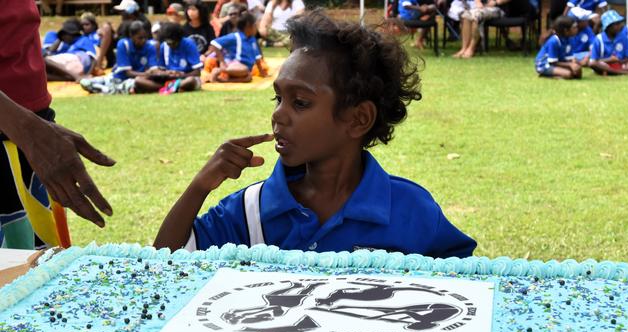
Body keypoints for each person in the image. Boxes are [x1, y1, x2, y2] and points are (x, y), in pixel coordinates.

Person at [154, 10, 477, 259]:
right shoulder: (252, 211)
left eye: (301, 102)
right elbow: (163, 267)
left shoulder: (411, 209)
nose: (278, 114)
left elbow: (465, 288)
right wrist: (199, 187)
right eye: (278, 98)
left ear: (358, 119)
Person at [0, 1, 114, 249]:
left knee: (30, 276)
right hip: (19, 133)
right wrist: (26, 128)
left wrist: (36, 124)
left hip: (31, 138)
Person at [80, 21, 159, 94]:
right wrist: (146, 74)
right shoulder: (124, 44)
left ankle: (107, 90)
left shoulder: (150, 47)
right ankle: (109, 89)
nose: (144, 40)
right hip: (117, 78)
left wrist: (151, 73)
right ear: (131, 36)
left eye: (145, 37)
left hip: (134, 80)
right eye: (140, 38)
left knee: (135, 84)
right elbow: (128, 73)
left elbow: (153, 69)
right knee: (84, 82)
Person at [134, 22, 203, 93]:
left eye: (174, 43)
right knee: (138, 80)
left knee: (190, 81)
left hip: (185, 77)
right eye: (168, 43)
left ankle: (167, 87)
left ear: (179, 39)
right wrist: (166, 73)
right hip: (168, 79)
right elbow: (161, 68)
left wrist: (181, 75)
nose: (171, 46)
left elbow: (197, 72)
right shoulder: (164, 46)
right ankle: (171, 87)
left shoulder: (189, 44)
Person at [205, 12, 267, 82]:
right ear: (248, 26)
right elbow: (214, 43)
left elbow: (257, 58)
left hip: (245, 69)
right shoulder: (235, 37)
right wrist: (222, 62)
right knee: (245, 70)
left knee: (249, 77)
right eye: (255, 26)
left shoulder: (252, 39)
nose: (256, 29)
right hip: (233, 64)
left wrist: (261, 72)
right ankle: (218, 71)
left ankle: (223, 80)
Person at [589, 10, 628, 75]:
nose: (620, 25)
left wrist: (620, 61)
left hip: (621, 65)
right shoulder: (599, 39)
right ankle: (624, 72)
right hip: (604, 64)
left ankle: (610, 72)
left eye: (619, 23)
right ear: (608, 26)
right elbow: (594, 60)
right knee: (593, 64)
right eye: (616, 24)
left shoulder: (623, 37)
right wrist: (609, 60)